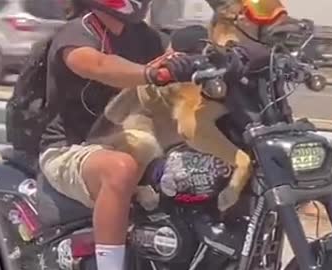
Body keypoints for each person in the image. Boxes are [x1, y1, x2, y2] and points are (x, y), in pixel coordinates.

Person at [36, 1, 225, 270]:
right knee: (120, 169)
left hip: (129, 138)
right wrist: (148, 73)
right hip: (71, 148)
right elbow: (100, 65)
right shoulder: (78, 32)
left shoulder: (142, 35)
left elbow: (174, 53)